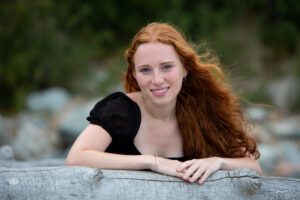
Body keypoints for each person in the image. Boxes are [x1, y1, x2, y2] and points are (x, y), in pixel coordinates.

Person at [66, 22, 263, 184]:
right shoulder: (121, 110)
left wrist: (218, 162)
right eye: (145, 70)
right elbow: (76, 159)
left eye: (166, 67)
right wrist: (153, 162)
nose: (157, 79)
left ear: (185, 69)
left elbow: (254, 167)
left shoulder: (202, 109)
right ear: (134, 74)